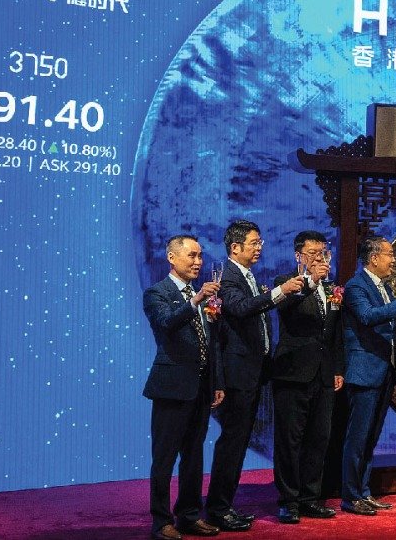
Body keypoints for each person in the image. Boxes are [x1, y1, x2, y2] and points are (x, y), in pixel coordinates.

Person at [208, 220, 305, 530]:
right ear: (235, 247)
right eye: (254, 242)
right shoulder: (228, 277)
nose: (259, 247)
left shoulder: (247, 276)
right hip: (237, 375)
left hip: (253, 373)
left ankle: (224, 505)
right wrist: (280, 291)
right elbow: (241, 308)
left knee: (238, 442)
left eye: (260, 242)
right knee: (232, 443)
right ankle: (218, 509)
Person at [143, 235, 225, 540]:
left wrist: (217, 382)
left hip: (200, 388)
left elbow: (211, 343)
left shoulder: (200, 295)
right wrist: (195, 301)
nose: (198, 262)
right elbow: (166, 322)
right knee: (164, 458)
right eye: (191, 256)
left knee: (194, 456)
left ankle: (189, 515)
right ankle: (161, 521)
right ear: (171, 257)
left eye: (200, 256)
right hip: (171, 387)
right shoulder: (157, 292)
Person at [340, 236, 396, 516]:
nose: (394, 259)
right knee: (358, 437)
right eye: (390, 254)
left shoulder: (383, 286)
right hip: (365, 371)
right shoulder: (356, 286)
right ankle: (351, 495)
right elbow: (367, 316)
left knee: (371, 437)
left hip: (384, 371)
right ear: (374, 258)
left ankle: (364, 491)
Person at [271, 232, 345, 522]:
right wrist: (311, 280)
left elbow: (334, 332)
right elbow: (287, 308)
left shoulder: (330, 288)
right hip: (293, 373)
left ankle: (310, 498)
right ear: (298, 255)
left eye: (323, 252)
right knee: (290, 440)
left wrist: (337, 368)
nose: (319, 258)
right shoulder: (285, 282)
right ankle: (288, 500)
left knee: (319, 438)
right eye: (313, 252)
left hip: (323, 374)